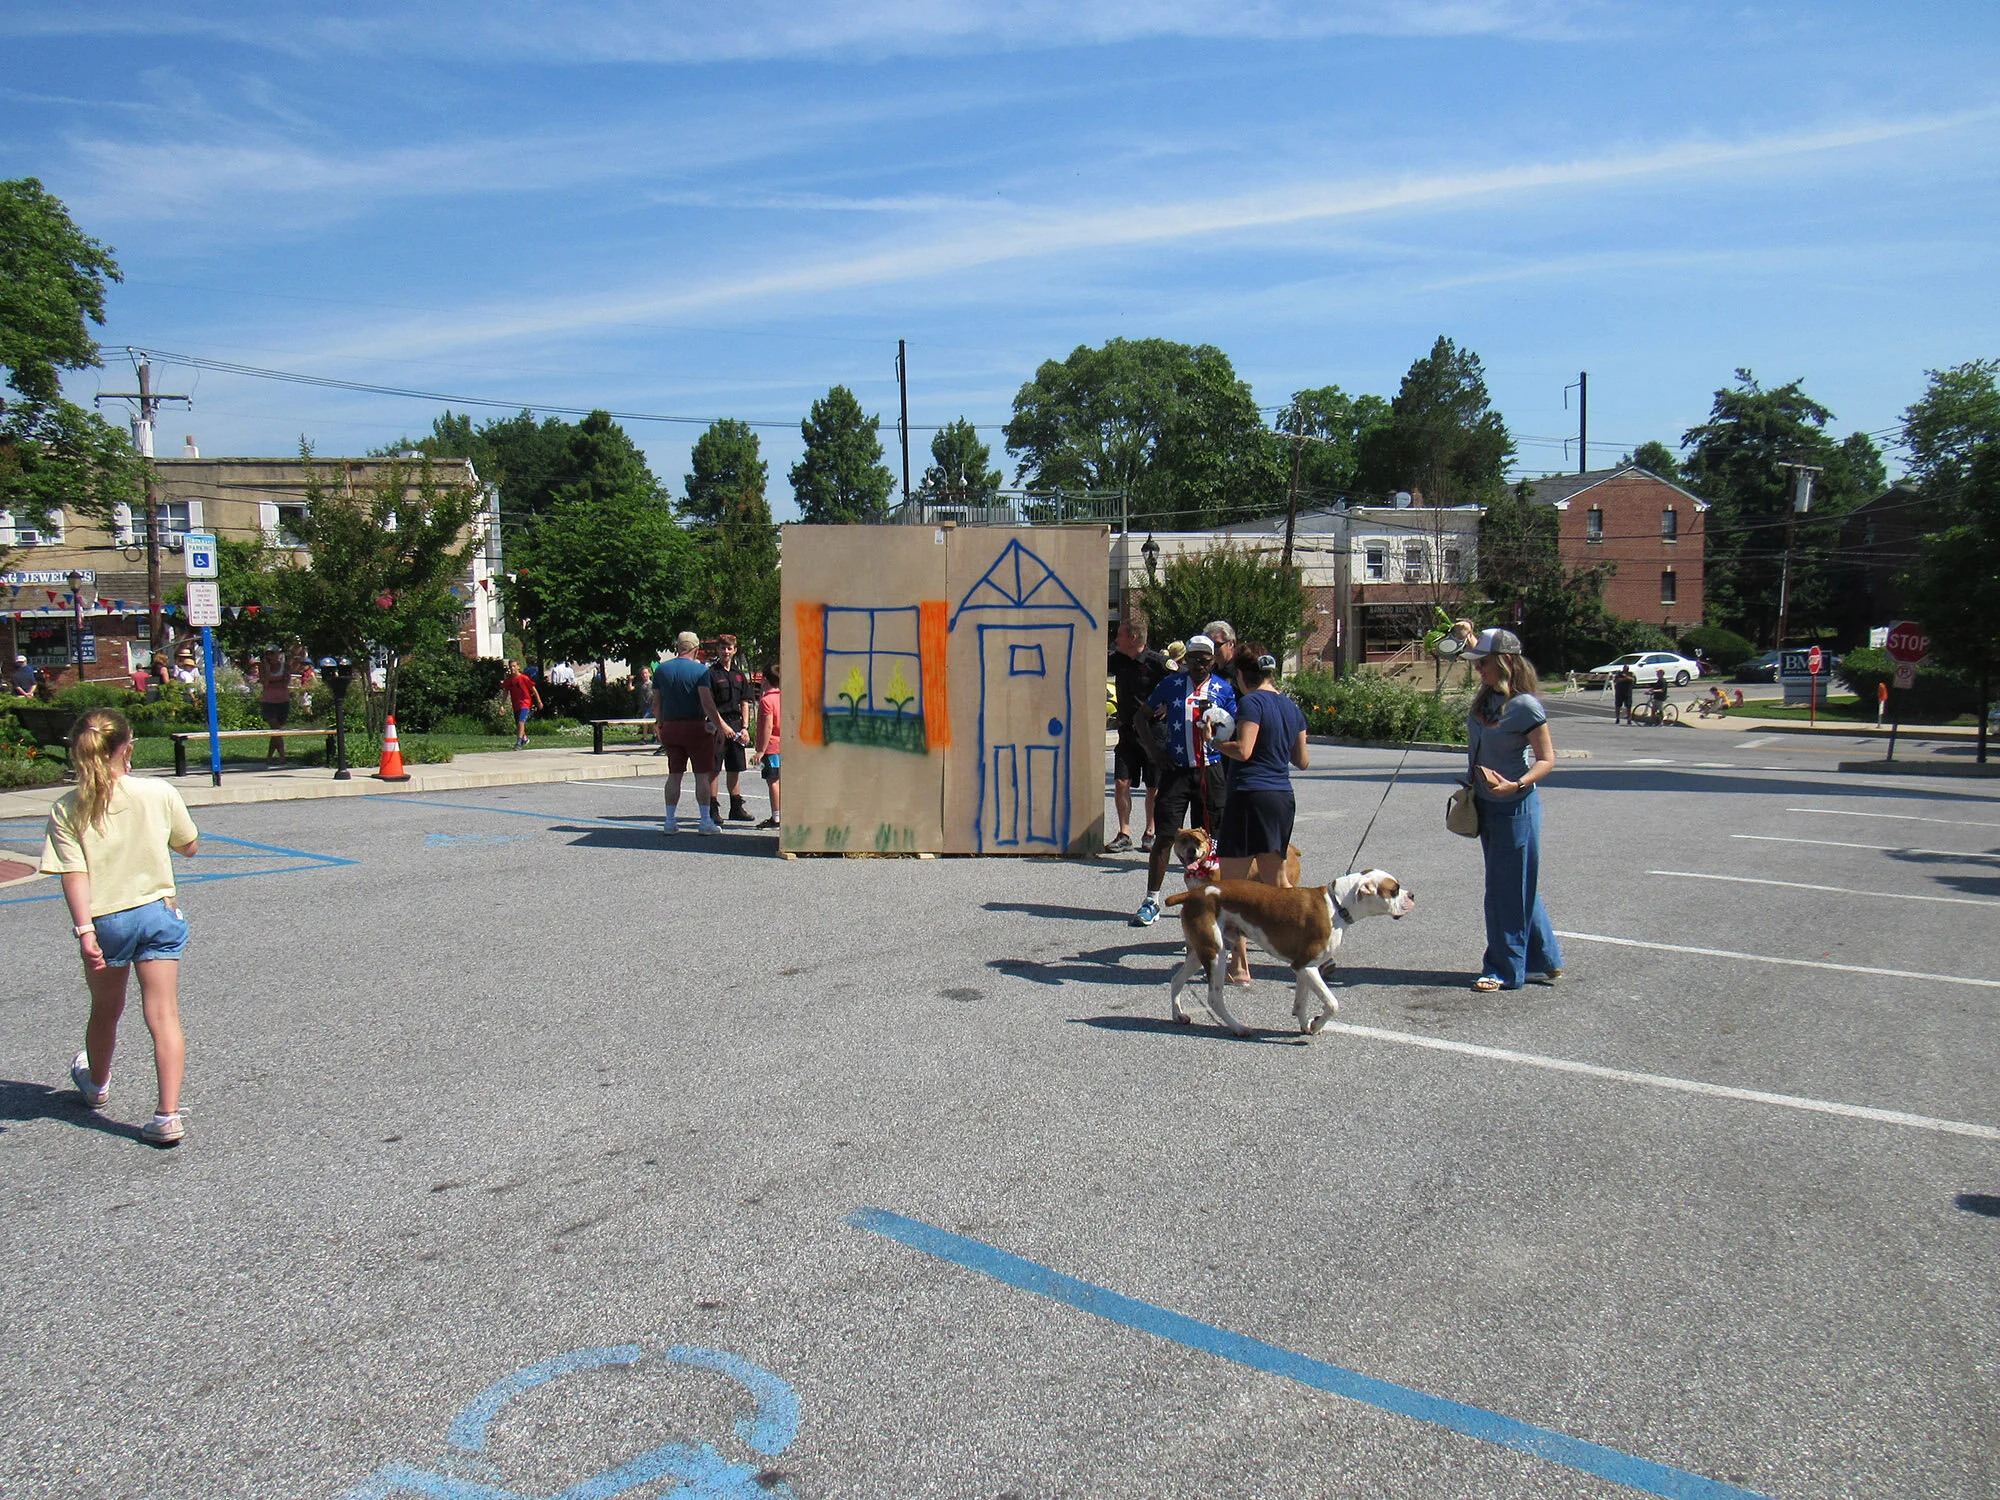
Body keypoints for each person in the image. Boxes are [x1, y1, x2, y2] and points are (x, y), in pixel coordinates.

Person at [39, 710, 200, 1146]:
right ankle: (168, 1115)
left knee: (106, 1010)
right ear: (127, 749)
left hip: (107, 919)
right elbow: (188, 846)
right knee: (163, 1014)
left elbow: (73, 874)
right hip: (159, 912)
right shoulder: (157, 792)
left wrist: (84, 931)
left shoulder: (68, 807)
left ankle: (97, 1083)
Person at [1463, 628, 1561, 992]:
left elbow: (1547, 760)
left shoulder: (1525, 706)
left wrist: (1516, 784)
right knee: (1518, 886)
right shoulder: (1488, 698)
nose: (1478, 670)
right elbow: (1475, 653)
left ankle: (1503, 968)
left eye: (1484, 664)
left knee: (1504, 890)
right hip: (1486, 806)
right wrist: (1470, 637)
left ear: (1504, 662)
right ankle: (1545, 959)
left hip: (1515, 807)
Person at [1215, 645, 1310, 985]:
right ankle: (1307, 950)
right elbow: (1302, 760)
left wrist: (1215, 743)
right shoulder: (1291, 706)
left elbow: (1243, 750)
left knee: (1232, 888)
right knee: (1279, 882)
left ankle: (1239, 967)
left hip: (1249, 795)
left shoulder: (1251, 703)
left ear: (1241, 675)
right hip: (1281, 797)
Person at [1132, 634, 1236, 927]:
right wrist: (1154, 751)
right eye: (1192, 659)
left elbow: (1235, 727)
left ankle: (1215, 901)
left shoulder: (1223, 689)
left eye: (1204, 660)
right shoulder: (1171, 684)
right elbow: (1140, 718)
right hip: (1177, 770)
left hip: (1211, 770)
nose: (1198, 665)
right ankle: (1151, 900)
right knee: (1165, 836)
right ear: (1185, 659)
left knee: (1214, 839)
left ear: (1213, 661)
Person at [654, 631, 747, 836]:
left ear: (678, 647)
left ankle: (670, 820)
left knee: (674, 774)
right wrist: (719, 725)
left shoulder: (661, 670)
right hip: (695, 727)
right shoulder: (700, 671)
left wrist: (659, 725)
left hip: (670, 726)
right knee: (701, 775)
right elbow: (707, 702)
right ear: (695, 649)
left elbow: (656, 703)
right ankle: (705, 820)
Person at [1106, 609, 1170, 853]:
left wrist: (1168, 707)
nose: (1116, 640)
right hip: (1128, 732)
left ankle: (1150, 831)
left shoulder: (1159, 663)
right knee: (1121, 781)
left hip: (1154, 733)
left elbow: (1185, 686)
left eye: (1120, 635)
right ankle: (1124, 832)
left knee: (1153, 785)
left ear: (1133, 638)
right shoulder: (1118, 660)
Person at [706, 635, 754, 824]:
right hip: (718, 724)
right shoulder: (711, 674)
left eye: (729, 648)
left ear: (735, 650)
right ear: (717, 650)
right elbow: (708, 704)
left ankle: (736, 807)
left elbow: (745, 702)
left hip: (736, 724)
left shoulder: (739, 675)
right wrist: (719, 726)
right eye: (722, 648)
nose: (726, 652)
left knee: (735, 766)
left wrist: (745, 727)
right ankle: (712, 808)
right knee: (714, 767)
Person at [754, 660, 782, 830]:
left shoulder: (767, 700)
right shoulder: (783, 697)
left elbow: (768, 726)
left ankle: (776, 816)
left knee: (773, 781)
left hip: (772, 747)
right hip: (784, 745)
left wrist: (760, 750)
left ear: (765, 679)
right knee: (781, 780)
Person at [256, 648, 294, 766]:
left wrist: (274, 681)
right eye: (267, 654)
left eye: (272, 654)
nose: (270, 657)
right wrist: (268, 671)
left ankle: (269, 757)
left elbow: (285, 683)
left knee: (275, 731)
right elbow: (265, 683)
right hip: (268, 701)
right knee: (276, 729)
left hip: (283, 701)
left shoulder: (285, 666)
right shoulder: (263, 667)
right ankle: (283, 756)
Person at [501, 659, 542, 748]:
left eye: (514, 666)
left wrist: (538, 701)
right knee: (518, 724)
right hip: (516, 704)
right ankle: (525, 738)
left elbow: (533, 689)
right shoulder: (509, 680)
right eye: (511, 666)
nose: (512, 668)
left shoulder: (524, 678)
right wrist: (502, 705)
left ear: (518, 667)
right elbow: (505, 692)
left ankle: (518, 742)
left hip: (525, 703)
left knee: (521, 721)